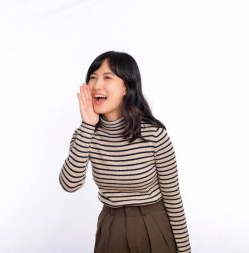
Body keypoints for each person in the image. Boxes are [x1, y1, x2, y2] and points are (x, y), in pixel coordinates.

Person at [59, 51, 191, 253]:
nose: (96, 84)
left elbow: (173, 197)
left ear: (126, 87)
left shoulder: (154, 135)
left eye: (107, 77)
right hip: (112, 229)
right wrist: (87, 125)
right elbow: (69, 184)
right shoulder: (85, 134)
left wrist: (185, 250)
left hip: (153, 225)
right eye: (92, 77)